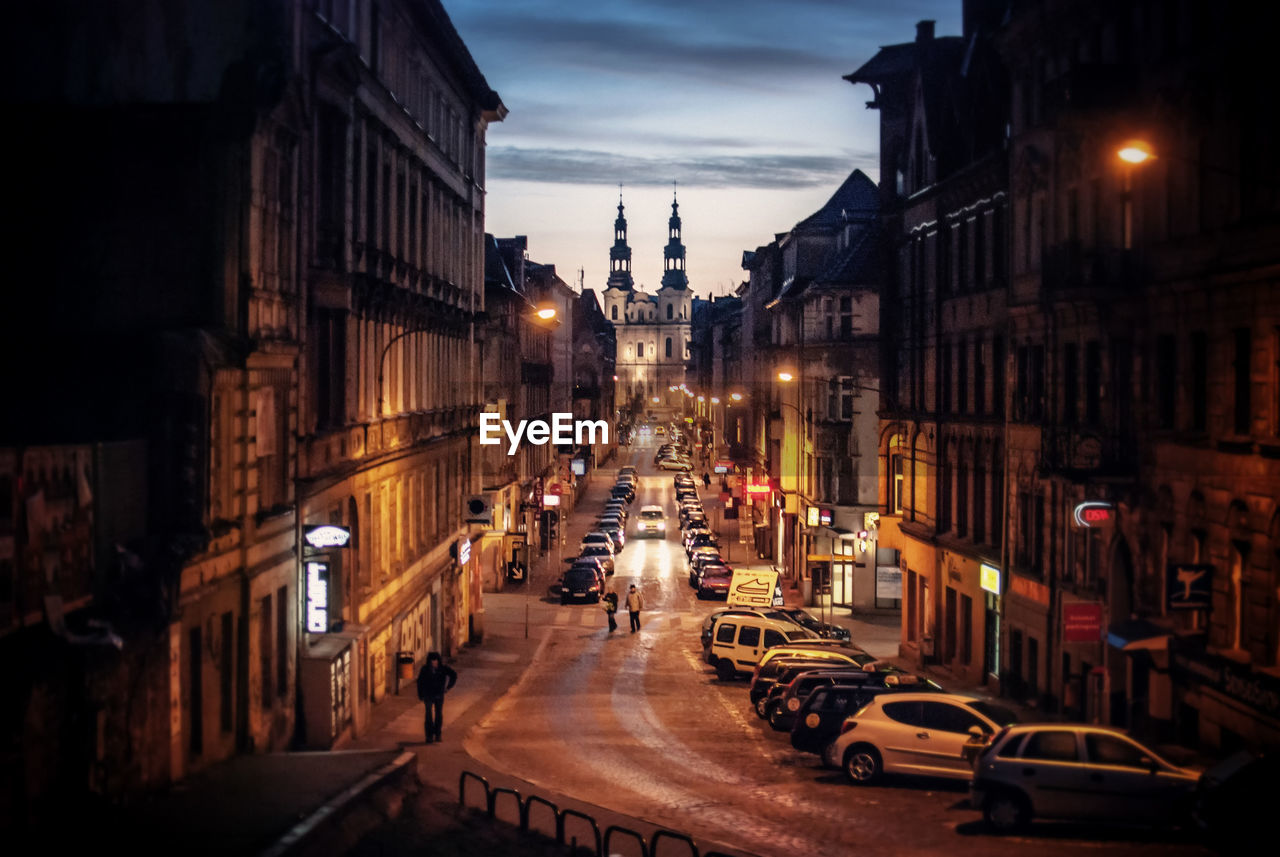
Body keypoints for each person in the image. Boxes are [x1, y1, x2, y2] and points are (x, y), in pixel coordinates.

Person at [415, 651, 457, 743]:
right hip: (428, 694)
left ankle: (437, 734)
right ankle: (429, 736)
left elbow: (453, 675)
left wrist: (448, 687)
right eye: (432, 661)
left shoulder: (442, 668)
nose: (434, 663)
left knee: (438, 715)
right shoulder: (425, 669)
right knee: (428, 715)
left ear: (438, 661)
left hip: (438, 695)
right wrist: (421, 694)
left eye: (435, 661)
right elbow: (420, 682)